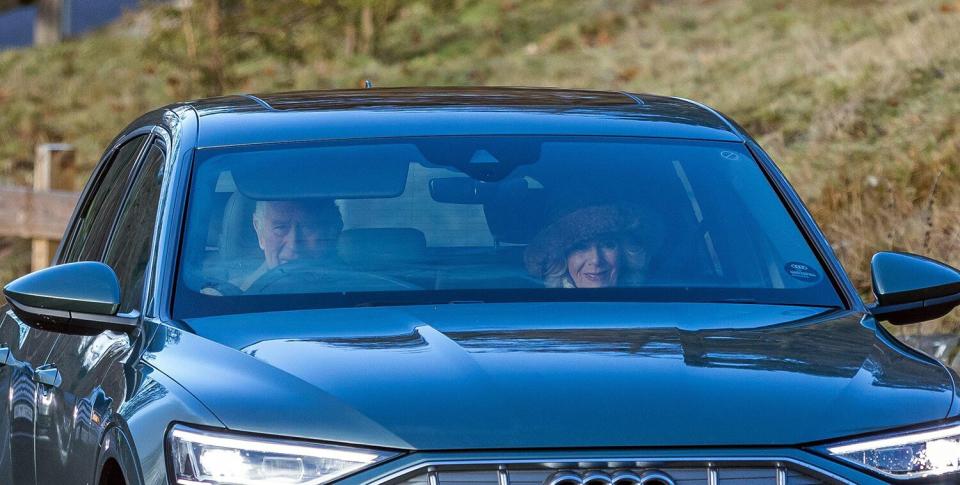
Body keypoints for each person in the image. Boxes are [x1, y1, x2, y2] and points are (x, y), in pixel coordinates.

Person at [204, 198, 344, 295]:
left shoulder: (360, 294)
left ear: (333, 230)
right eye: (280, 228)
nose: (293, 244)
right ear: (259, 230)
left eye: (309, 227)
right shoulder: (227, 301)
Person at [524, 204, 649, 288]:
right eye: (580, 247)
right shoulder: (543, 313)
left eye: (608, 245)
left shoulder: (651, 309)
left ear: (625, 253)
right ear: (562, 258)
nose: (596, 260)